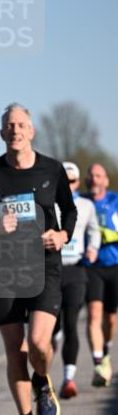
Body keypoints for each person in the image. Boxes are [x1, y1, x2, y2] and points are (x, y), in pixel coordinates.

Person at [0, 103, 77, 415]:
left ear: (31, 131)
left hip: (44, 265)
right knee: (15, 351)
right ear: (2, 133)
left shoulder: (52, 169)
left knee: (39, 344)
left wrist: (62, 235)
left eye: (20, 124)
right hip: (4, 269)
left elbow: (69, 210)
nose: (15, 130)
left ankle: (42, 380)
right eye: (9, 125)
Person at [52, 162, 100, 398]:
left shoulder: (86, 205)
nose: (67, 185)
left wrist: (93, 248)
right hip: (51, 270)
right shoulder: (47, 203)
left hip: (75, 270)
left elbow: (94, 230)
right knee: (51, 329)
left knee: (71, 323)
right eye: (63, 181)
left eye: (71, 181)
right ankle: (44, 378)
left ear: (78, 182)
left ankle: (68, 379)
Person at [84, 163, 118, 387]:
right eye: (91, 175)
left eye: (98, 175)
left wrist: (109, 234)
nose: (94, 179)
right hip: (90, 266)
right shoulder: (80, 202)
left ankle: (105, 350)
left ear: (106, 180)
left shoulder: (115, 201)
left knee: (111, 318)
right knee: (93, 314)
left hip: (114, 264)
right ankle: (98, 363)